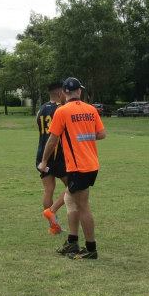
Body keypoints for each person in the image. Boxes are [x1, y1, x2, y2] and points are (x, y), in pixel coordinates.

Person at [38, 77, 106, 259]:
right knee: (69, 201)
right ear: (79, 91)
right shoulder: (91, 109)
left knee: (83, 206)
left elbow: (52, 139)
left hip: (78, 166)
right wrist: (83, 136)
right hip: (91, 163)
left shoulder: (62, 111)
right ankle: (72, 242)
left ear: (64, 93)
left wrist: (44, 162)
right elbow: (101, 134)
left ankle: (91, 249)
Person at [37, 81, 67, 234]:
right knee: (74, 187)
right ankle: (53, 211)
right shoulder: (61, 109)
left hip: (41, 153)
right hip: (57, 154)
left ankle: (53, 225)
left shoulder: (41, 109)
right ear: (59, 92)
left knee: (48, 189)